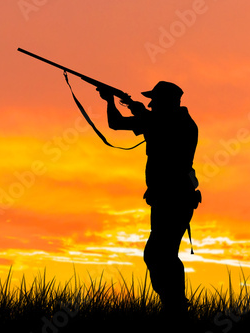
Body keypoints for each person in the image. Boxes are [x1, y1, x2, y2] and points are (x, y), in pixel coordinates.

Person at [97, 81, 201, 317]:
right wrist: (122, 104)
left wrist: (119, 104)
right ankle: (174, 305)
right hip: (168, 199)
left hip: (174, 199)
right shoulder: (165, 121)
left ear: (168, 102)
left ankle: (175, 307)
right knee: (160, 254)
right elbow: (124, 123)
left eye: (156, 100)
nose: (151, 103)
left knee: (160, 254)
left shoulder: (175, 122)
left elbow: (127, 123)